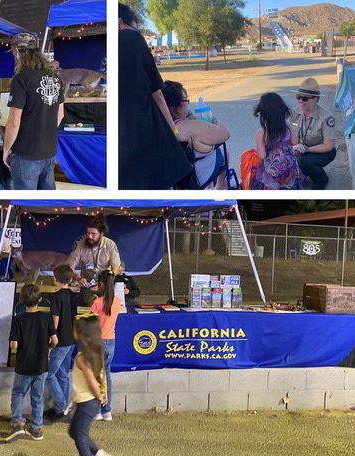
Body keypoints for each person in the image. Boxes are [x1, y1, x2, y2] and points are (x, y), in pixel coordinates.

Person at [118, 2, 192, 189]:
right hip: (142, 132)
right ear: (120, 22)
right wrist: (174, 132)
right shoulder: (133, 39)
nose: (137, 32)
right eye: (135, 28)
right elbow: (158, 95)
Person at [3, 33, 64, 190]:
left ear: (18, 52)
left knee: (26, 203)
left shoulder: (21, 79)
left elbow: (13, 122)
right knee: (46, 202)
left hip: (25, 152)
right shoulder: (55, 77)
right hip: (49, 150)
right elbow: (60, 114)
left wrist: (6, 148)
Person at [7, 283, 57, 442]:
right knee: (37, 396)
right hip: (41, 365)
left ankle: (17, 423)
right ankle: (37, 428)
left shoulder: (17, 319)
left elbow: (13, 345)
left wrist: (16, 345)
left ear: (21, 300)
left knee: (18, 393)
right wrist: (48, 348)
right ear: (40, 300)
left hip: (23, 365)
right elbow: (55, 340)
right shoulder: (46, 317)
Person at [161, 80, 231, 189]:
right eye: (185, 100)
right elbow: (225, 134)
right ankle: (221, 184)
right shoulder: (190, 126)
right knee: (223, 150)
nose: (187, 103)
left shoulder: (158, 127)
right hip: (194, 180)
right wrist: (209, 116)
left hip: (174, 181)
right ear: (176, 108)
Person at [68, 313, 112, 456]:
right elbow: (103, 372)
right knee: (74, 431)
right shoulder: (97, 350)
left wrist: (99, 394)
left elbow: (92, 381)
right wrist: (104, 391)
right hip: (88, 401)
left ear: (82, 334)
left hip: (87, 401)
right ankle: (98, 453)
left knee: (80, 438)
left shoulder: (82, 358)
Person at [250, 92, 304, 190]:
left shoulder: (261, 132)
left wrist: (257, 150)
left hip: (271, 174)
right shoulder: (287, 128)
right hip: (289, 170)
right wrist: (289, 125)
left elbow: (262, 155)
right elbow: (295, 142)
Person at [289, 77, 337, 190]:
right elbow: (286, 137)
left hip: (323, 151)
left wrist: (307, 149)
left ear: (316, 99)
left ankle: (321, 179)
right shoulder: (294, 114)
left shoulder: (326, 118)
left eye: (305, 98)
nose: (300, 101)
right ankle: (304, 171)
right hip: (300, 150)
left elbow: (328, 145)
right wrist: (293, 147)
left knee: (304, 162)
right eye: (298, 97)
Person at [45, 264, 78, 420]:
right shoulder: (73, 295)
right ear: (71, 279)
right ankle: (63, 408)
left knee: (49, 374)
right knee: (63, 374)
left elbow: (55, 320)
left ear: (54, 279)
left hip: (60, 340)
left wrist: (51, 339)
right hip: (71, 338)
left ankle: (61, 404)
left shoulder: (56, 297)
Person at [68, 213, 122, 306]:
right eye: (88, 232)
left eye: (93, 234)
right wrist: (78, 278)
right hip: (87, 285)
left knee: (107, 307)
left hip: (105, 284)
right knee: (89, 306)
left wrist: (104, 282)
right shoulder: (80, 245)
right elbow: (69, 266)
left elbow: (116, 268)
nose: (89, 236)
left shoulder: (110, 245)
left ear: (101, 234)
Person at [90, 270, 121, 422]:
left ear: (101, 284)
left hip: (98, 341)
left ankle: (97, 410)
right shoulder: (117, 301)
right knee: (106, 374)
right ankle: (106, 410)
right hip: (111, 341)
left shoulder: (96, 303)